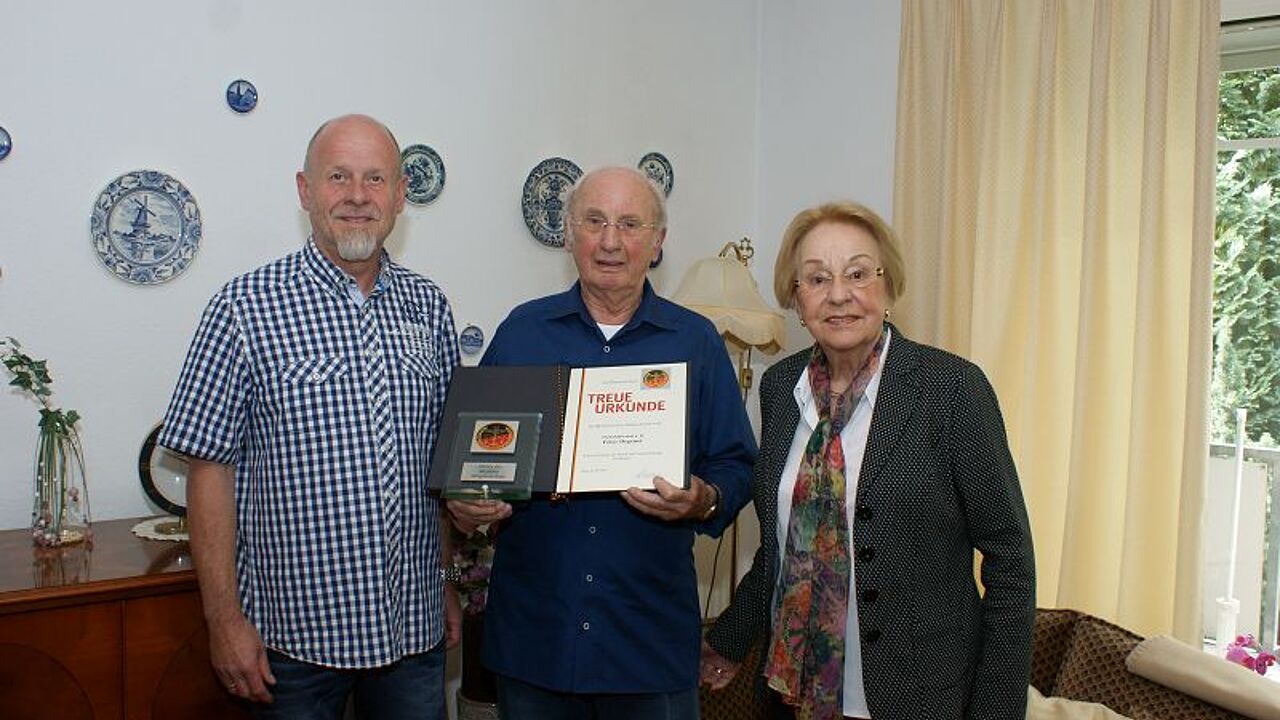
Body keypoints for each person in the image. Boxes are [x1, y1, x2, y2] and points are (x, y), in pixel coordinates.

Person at [160, 114, 461, 720]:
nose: (357, 196)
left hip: (413, 635)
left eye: (375, 178)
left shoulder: (429, 306)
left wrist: (447, 581)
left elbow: (443, 461)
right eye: (338, 177)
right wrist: (223, 619)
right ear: (305, 190)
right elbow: (207, 470)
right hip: (292, 646)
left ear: (401, 194)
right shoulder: (244, 306)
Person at [700, 202, 1035, 720]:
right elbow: (780, 549)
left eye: (857, 273)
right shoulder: (780, 388)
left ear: (888, 285)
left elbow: (1010, 562)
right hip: (789, 696)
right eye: (817, 279)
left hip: (917, 699)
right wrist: (727, 640)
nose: (839, 295)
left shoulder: (951, 390)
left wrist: (995, 710)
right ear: (796, 296)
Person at [447, 166, 757, 720]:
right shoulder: (522, 333)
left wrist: (701, 498)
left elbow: (736, 465)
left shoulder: (696, 341)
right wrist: (467, 504)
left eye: (630, 224)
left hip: (648, 642)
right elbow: (478, 460)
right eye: (594, 221)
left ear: (657, 241)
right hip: (535, 642)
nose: (611, 241)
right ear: (570, 234)